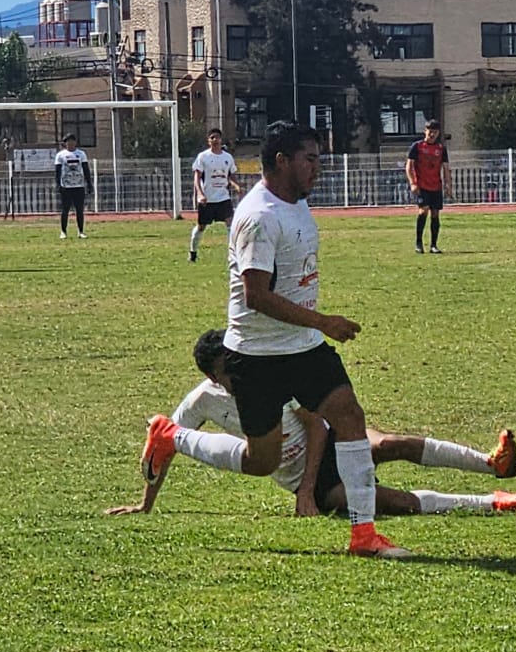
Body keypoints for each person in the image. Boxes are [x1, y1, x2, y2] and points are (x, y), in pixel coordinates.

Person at [145, 119, 408, 558]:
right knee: (260, 461)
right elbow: (255, 296)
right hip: (257, 355)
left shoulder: (296, 203)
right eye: (310, 159)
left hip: (303, 347)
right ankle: (173, 437)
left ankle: (364, 535)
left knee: (349, 416)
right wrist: (324, 321)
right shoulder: (258, 217)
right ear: (281, 161)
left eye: (319, 159)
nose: (317, 168)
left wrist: (314, 328)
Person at [110, 329, 516, 518]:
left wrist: (305, 491)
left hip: (323, 450)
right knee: (390, 502)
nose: (238, 371)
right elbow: (164, 443)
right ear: (211, 376)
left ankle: (489, 463)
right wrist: (146, 504)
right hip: (308, 480)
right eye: (228, 368)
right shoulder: (202, 400)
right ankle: (493, 500)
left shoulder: (262, 378)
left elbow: (314, 426)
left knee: (390, 444)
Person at [189, 127, 242, 262]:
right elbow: (197, 177)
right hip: (207, 199)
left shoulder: (227, 157)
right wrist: (200, 194)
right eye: (212, 137)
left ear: (221, 139)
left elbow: (230, 175)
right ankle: (193, 253)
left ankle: (233, 255)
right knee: (201, 227)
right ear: (208, 141)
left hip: (223, 197)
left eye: (217, 137)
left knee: (230, 223)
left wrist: (236, 186)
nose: (215, 140)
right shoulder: (203, 157)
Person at [405, 118, 451, 254]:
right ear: (425, 131)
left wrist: (449, 185)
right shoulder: (417, 146)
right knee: (423, 210)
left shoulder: (441, 149)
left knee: (435, 214)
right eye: (430, 131)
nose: (432, 135)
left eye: (435, 132)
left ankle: (433, 245)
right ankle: (419, 243)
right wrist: (413, 183)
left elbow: (446, 168)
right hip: (422, 185)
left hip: (436, 186)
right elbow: (409, 166)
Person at [54, 132, 91, 239]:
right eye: (68, 142)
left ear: (75, 142)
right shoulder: (60, 155)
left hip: (79, 185)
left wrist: (89, 183)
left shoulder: (81, 154)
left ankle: (81, 231)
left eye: (72, 141)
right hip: (66, 186)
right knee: (65, 210)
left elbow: (85, 169)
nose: (70, 144)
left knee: (79, 210)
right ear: (65, 143)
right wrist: (58, 184)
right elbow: (58, 171)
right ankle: (63, 231)